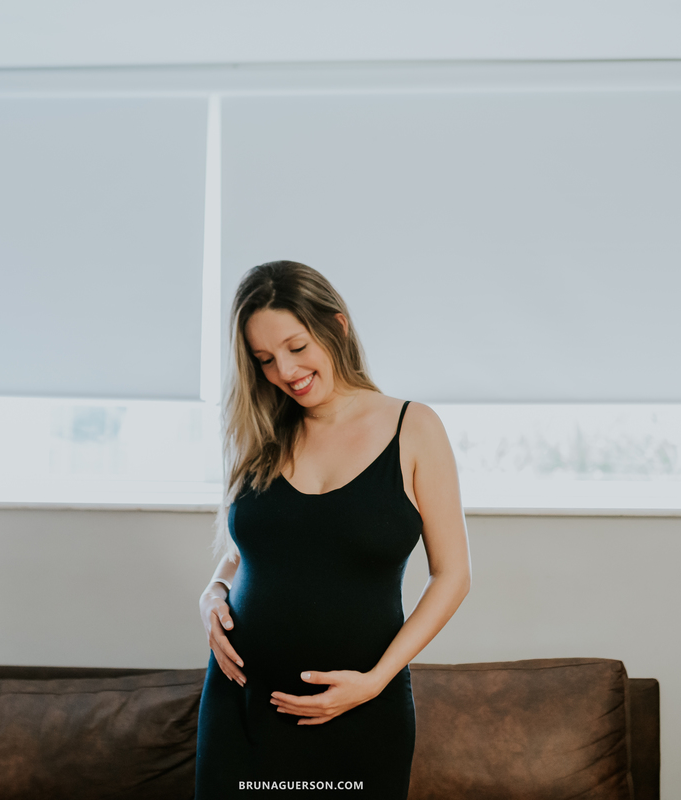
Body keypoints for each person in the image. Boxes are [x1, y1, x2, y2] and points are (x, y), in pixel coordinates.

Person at [194, 261, 472, 798]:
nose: (285, 371)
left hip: (359, 709)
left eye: (297, 347)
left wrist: (375, 680)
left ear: (336, 327)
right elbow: (248, 546)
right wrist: (211, 593)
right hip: (240, 708)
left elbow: (453, 575)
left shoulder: (413, 428)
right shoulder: (264, 429)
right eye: (265, 359)